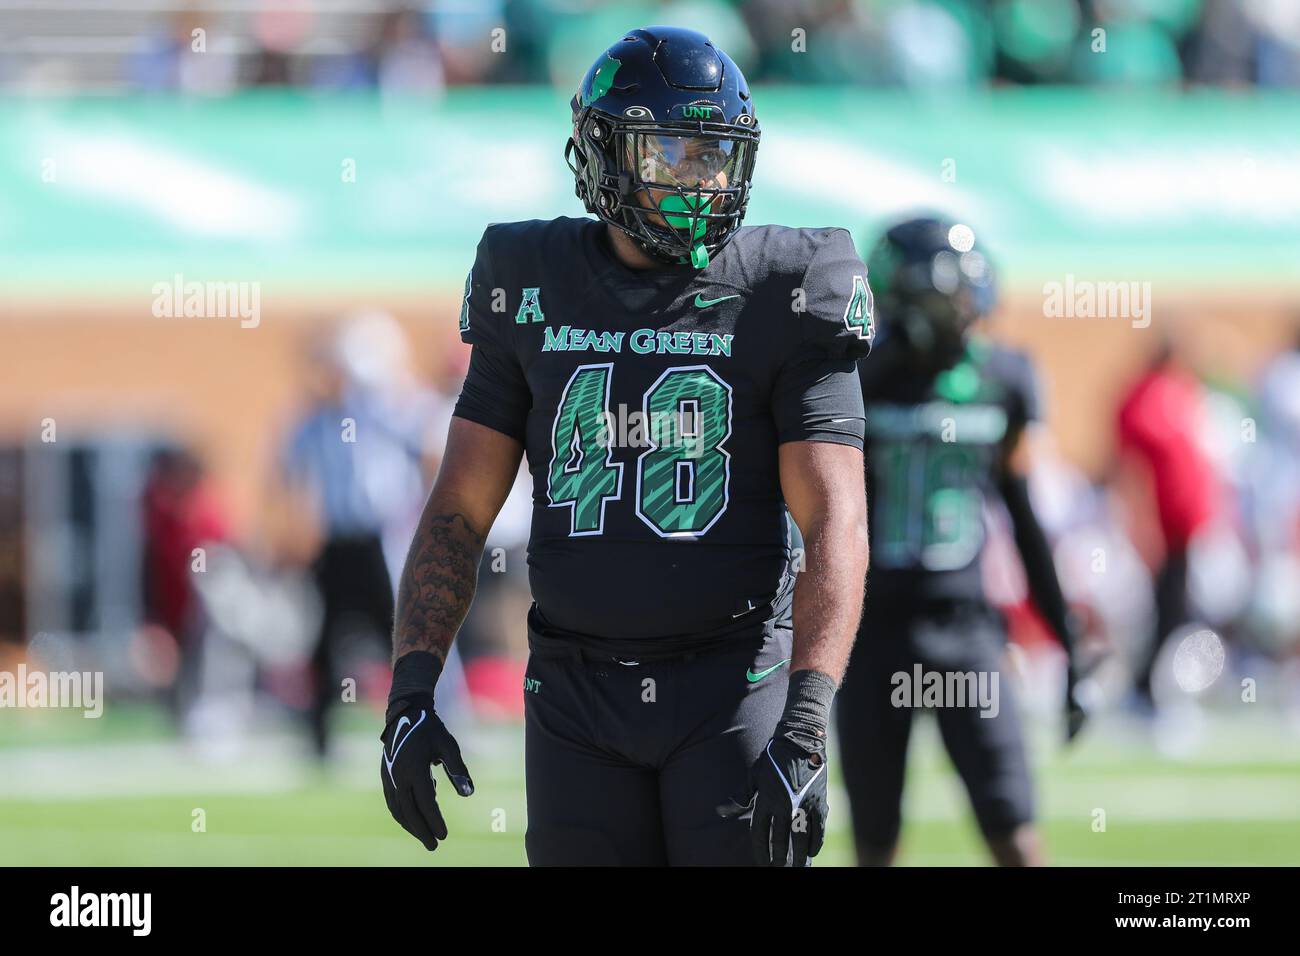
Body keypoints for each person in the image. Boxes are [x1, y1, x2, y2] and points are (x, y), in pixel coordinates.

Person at [379, 26, 873, 866]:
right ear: (602, 152)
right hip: (574, 693)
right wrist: (412, 690)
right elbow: (460, 508)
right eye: (675, 152)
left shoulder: (789, 286)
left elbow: (837, 520)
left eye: (718, 154)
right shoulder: (526, 275)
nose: (703, 178)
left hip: (733, 684)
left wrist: (806, 717)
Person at [835, 216, 1086, 867]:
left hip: (967, 629)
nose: (965, 308)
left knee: (1014, 828)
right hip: (871, 631)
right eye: (948, 294)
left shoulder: (1002, 376)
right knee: (875, 840)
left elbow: (1023, 517)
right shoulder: (854, 378)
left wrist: (1068, 637)